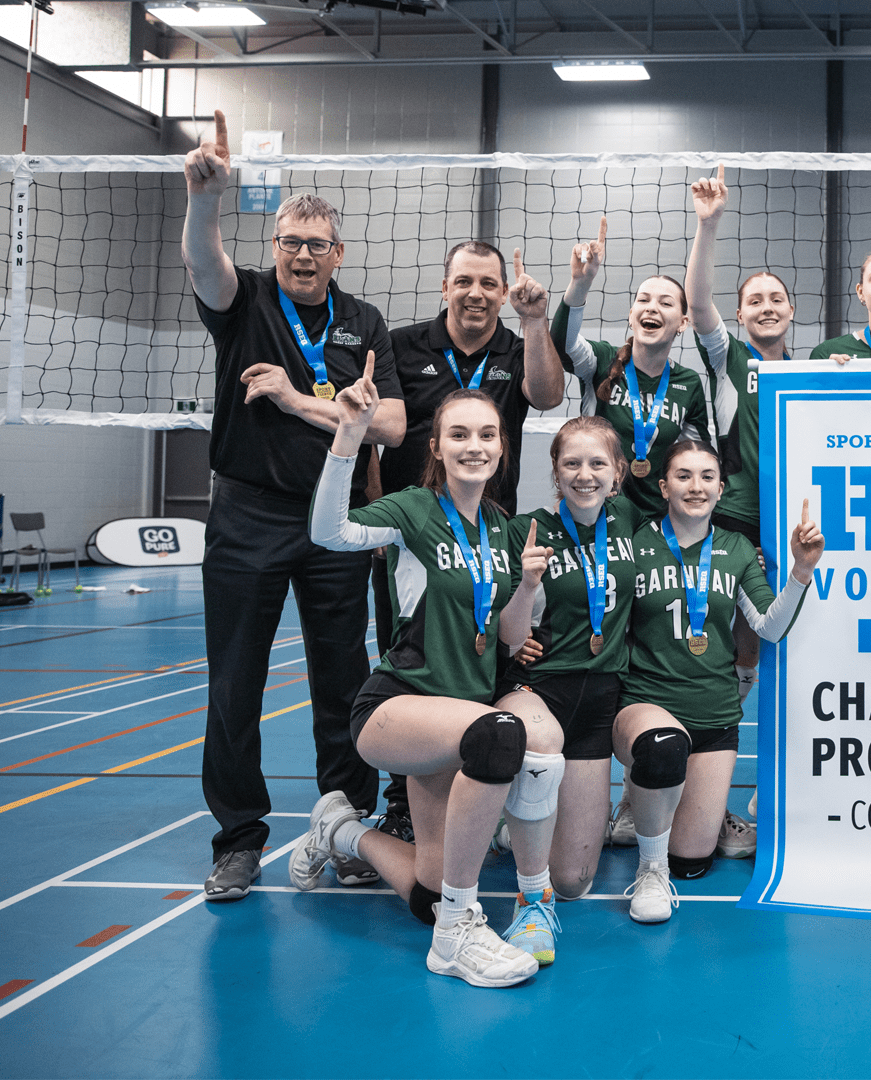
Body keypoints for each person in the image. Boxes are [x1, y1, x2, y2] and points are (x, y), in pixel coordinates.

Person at [181, 109, 403, 901]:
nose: (303, 255)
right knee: (233, 681)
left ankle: (348, 827)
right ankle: (239, 836)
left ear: (338, 254)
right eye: (290, 243)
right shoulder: (243, 301)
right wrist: (205, 197)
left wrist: (304, 401)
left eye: (317, 245)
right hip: (246, 516)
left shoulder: (364, 321)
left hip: (333, 515)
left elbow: (393, 421)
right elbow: (205, 260)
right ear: (273, 248)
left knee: (345, 680)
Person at [296, 378, 556, 988]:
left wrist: (526, 587)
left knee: (428, 892)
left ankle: (340, 830)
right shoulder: (412, 509)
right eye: (459, 434)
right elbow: (327, 533)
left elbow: (514, 641)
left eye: (487, 435)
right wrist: (349, 434)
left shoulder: (505, 527)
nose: (475, 445)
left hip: (461, 717)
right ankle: (456, 936)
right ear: (435, 446)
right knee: (500, 735)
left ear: (502, 449)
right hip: (400, 706)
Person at [369, 239, 566, 844]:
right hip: (415, 536)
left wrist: (536, 323)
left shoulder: (517, 346)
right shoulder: (401, 344)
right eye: (464, 282)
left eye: (488, 283)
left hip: (489, 533)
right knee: (411, 659)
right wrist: (379, 524)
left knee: (490, 655)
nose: (476, 294)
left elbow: (550, 395)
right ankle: (403, 798)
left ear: (503, 291)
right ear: (445, 286)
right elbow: (380, 435)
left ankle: (484, 778)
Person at [611, 439, 822, 922]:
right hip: (647, 708)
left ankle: (667, 811)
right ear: (663, 487)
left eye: (707, 476)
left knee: (692, 862)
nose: (696, 486)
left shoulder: (737, 548)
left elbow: (770, 626)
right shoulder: (636, 545)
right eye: (683, 476)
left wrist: (801, 571)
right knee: (663, 747)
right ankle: (645, 852)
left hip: (715, 718)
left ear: (722, 489)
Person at [485, 415, 641, 965]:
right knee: (540, 739)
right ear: (554, 471)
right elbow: (507, 635)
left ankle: (517, 825)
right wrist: (526, 586)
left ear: (618, 472)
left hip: (598, 700)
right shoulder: (525, 529)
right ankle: (528, 888)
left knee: (575, 880)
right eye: (571, 463)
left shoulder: (633, 524)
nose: (584, 474)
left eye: (597, 463)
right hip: (536, 687)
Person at [683, 166, 793, 719]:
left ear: (791, 311)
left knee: (761, 633)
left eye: (776, 299)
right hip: (737, 515)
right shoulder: (730, 358)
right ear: (743, 313)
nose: (767, 306)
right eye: (755, 301)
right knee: (713, 626)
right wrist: (710, 225)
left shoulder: (813, 371)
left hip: (793, 519)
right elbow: (698, 303)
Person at [551, 227, 711, 519]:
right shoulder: (601, 360)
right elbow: (561, 345)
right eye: (644, 300)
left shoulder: (688, 383)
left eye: (665, 303)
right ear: (631, 314)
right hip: (597, 514)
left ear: (683, 322)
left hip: (659, 523)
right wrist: (581, 283)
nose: (652, 308)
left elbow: (698, 457)